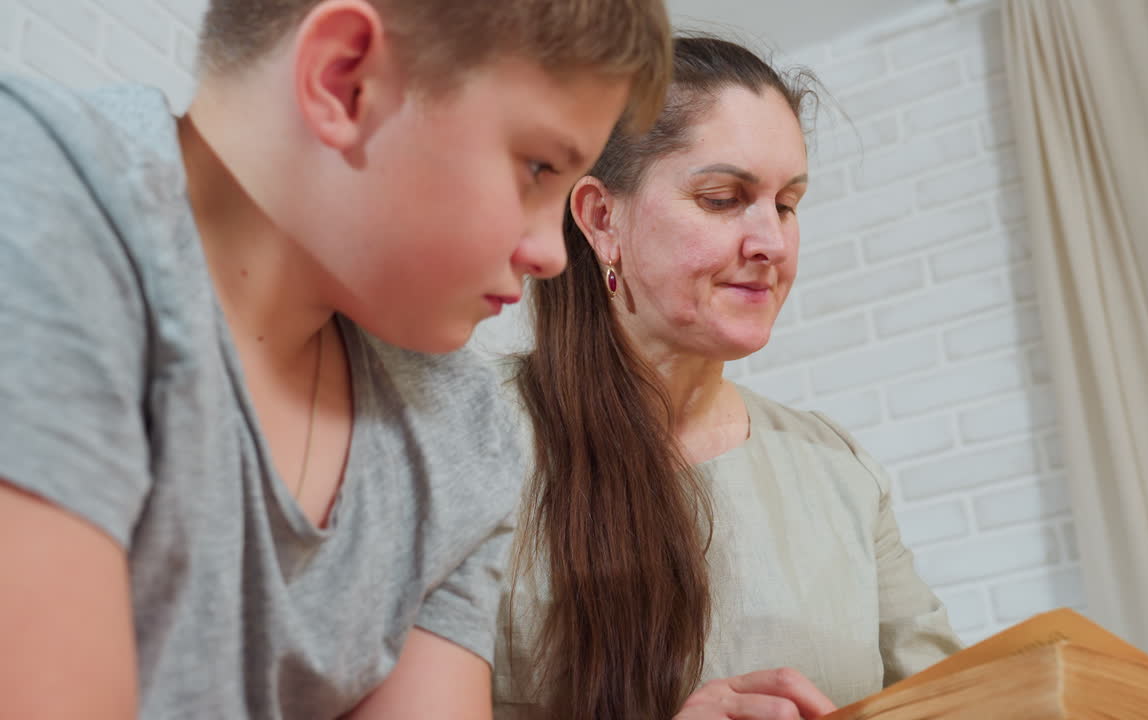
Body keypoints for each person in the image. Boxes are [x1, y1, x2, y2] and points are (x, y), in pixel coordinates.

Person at [0, 1, 670, 717]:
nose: (548, 254)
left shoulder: (464, 435)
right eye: (537, 167)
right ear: (344, 79)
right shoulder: (36, 190)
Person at [494, 36, 963, 720]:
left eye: (787, 204)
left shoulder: (836, 470)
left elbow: (960, 697)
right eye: (722, 197)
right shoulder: (463, 442)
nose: (770, 241)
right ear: (602, 218)